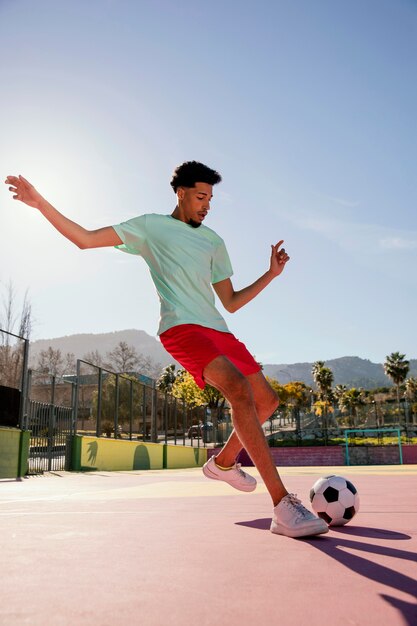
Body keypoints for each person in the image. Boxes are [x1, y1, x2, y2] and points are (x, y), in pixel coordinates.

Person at [5, 162, 328, 538]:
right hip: (182, 328)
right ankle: (282, 505)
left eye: (211, 198)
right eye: (200, 196)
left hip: (219, 330)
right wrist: (40, 202)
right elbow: (85, 238)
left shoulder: (213, 242)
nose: (207, 205)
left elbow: (232, 302)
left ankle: (223, 463)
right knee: (238, 390)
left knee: (267, 401)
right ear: (180, 192)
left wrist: (270, 275)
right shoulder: (151, 227)